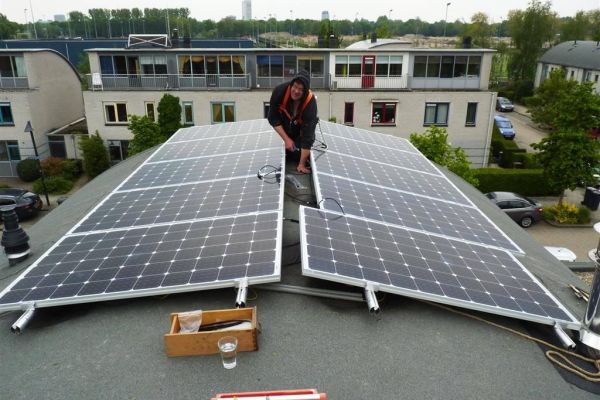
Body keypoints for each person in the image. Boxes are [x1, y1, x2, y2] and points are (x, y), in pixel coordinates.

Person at [267, 70, 318, 174]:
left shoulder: (310, 103)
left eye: (300, 89)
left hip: (300, 132)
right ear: (291, 84)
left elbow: (308, 135)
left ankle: (297, 154)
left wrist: (301, 164)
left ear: (305, 91)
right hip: (284, 127)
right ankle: (288, 144)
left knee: (296, 154)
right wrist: (286, 139)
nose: (296, 91)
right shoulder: (280, 91)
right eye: (295, 86)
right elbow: (272, 117)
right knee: (277, 150)